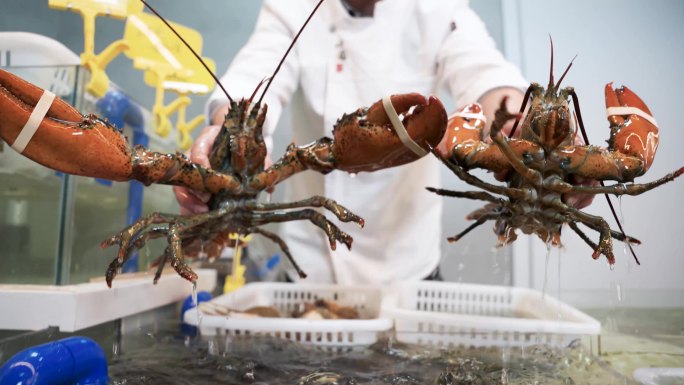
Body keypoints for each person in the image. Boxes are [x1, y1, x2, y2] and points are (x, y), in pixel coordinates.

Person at [175, 0, 530, 285]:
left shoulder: (438, 8)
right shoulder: (293, 7)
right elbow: (255, 73)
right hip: (307, 264)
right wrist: (225, 132)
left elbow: (487, 75)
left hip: (407, 265)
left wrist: (519, 125)